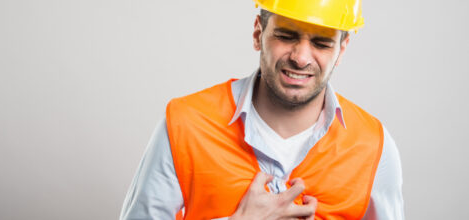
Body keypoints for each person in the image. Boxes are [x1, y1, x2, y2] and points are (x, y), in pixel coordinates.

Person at [120, 0, 404, 219]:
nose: (301, 58)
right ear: (258, 33)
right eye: (286, 35)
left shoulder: (373, 147)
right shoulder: (185, 124)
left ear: (341, 51)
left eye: (321, 43)